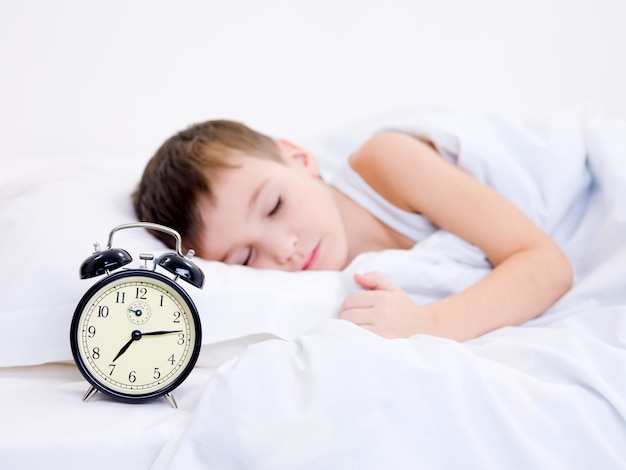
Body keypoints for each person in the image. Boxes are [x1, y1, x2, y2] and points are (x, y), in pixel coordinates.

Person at [133, 120, 573, 341]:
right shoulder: (338, 289)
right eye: (245, 258)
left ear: (299, 159)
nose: (283, 248)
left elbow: (546, 265)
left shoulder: (387, 163)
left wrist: (427, 323)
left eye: (274, 206)